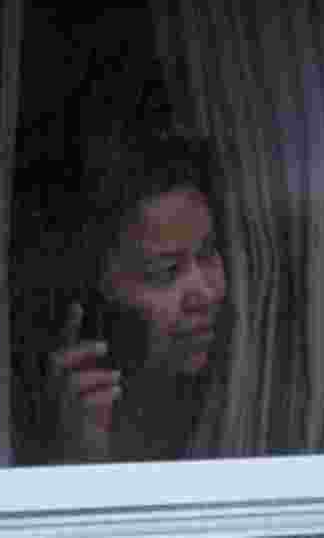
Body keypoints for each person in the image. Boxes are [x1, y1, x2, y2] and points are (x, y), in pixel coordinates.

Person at [47, 135, 233, 463]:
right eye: (164, 271)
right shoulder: (72, 414)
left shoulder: (234, 398)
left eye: (207, 255)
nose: (204, 293)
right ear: (98, 297)